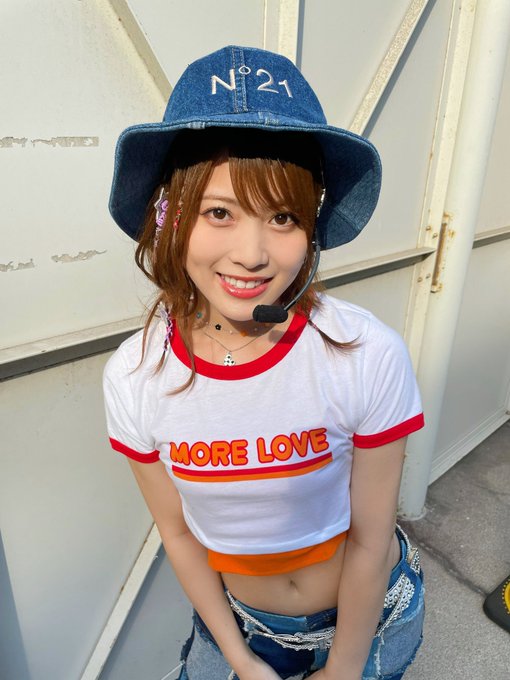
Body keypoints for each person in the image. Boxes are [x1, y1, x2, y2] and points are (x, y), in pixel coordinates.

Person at [104, 45, 425, 680]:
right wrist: (239, 660)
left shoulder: (364, 352)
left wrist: (344, 669)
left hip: (370, 620)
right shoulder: (135, 376)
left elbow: (371, 536)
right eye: (219, 212)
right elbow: (179, 535)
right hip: (240, 627)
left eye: (282, 216)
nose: (252, 254)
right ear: (169, 217)